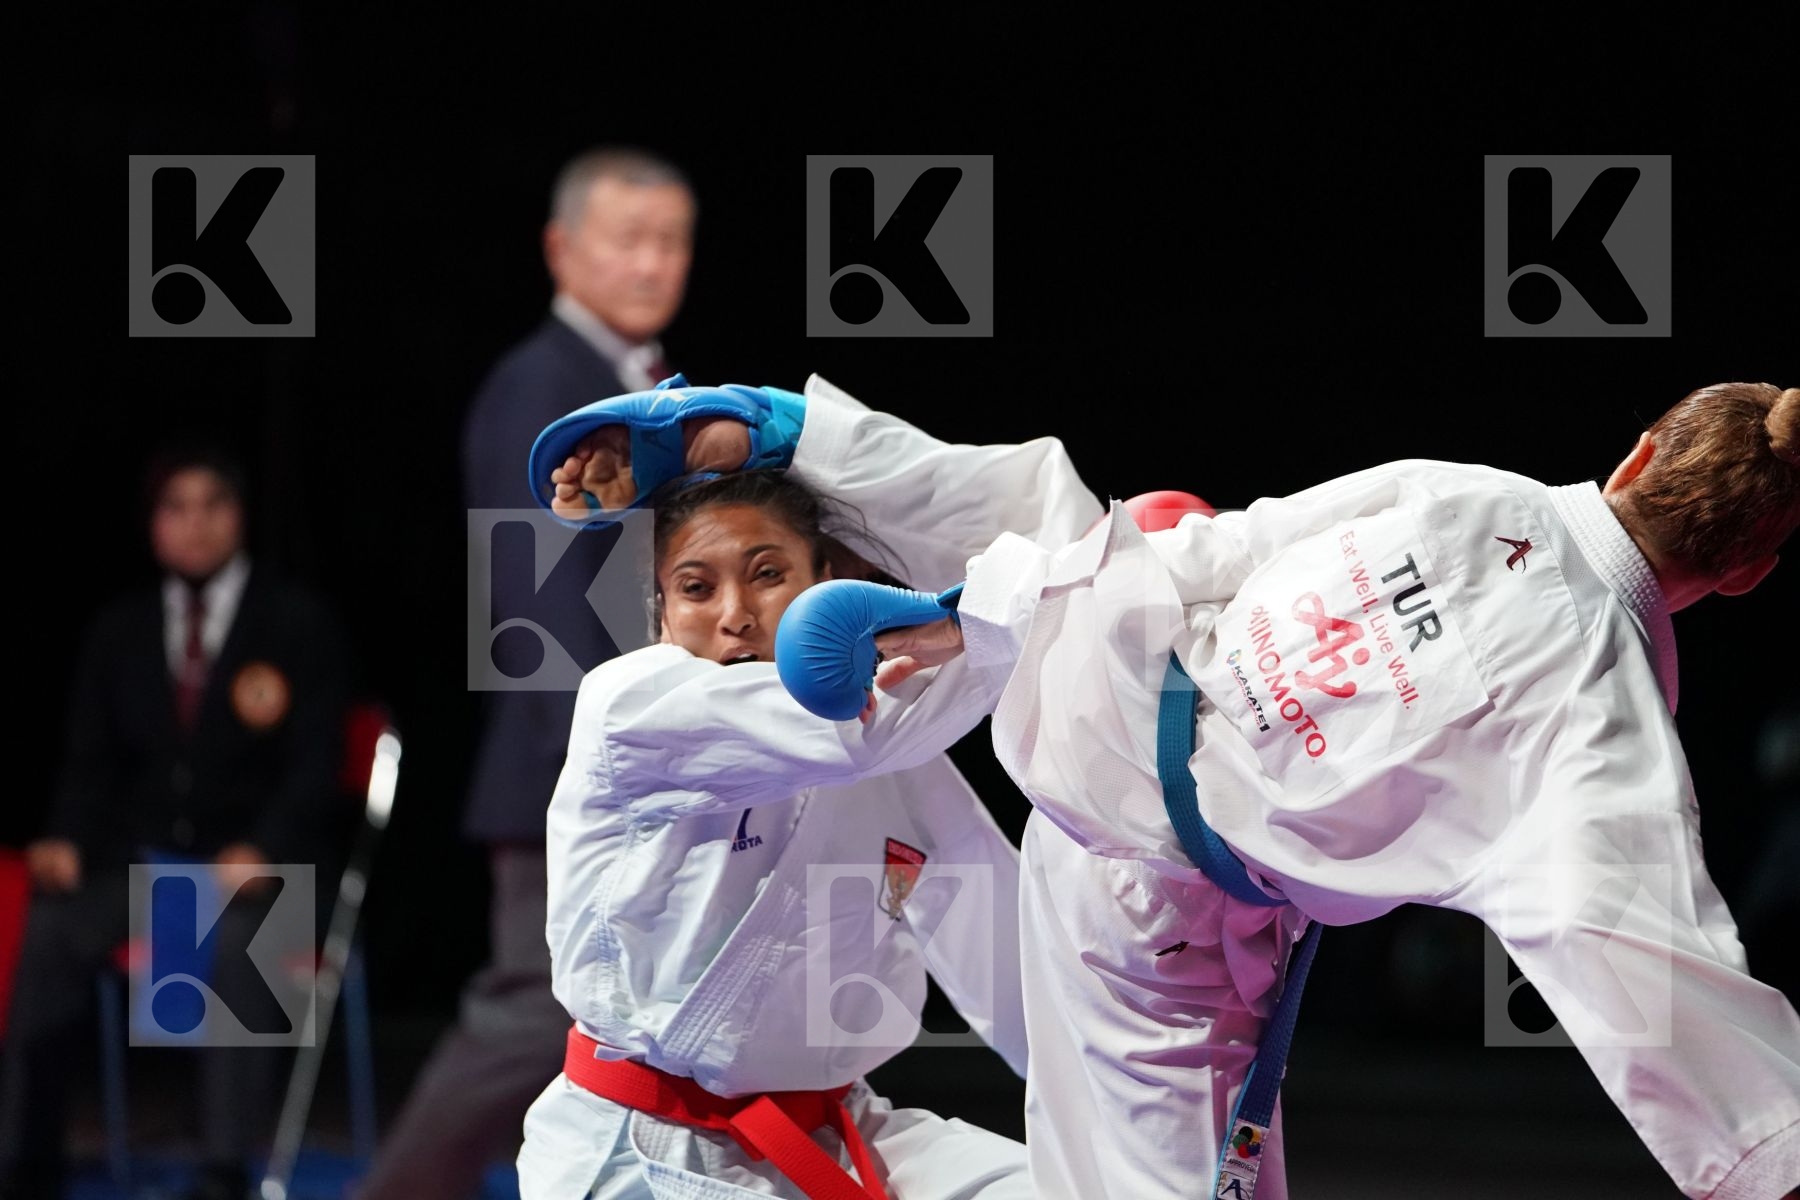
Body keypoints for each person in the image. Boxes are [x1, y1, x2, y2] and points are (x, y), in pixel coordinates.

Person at [781, 382, 1800, 1199]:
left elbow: (1225, 547)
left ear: (1639, 457)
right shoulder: (1605, 721)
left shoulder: (1468, 491)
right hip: (1164, 938)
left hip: (1082, 747)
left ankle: (823, 461)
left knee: (1073, 1176)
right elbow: (1633, 954)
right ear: (1751, 573)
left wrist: (965, 618)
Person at [514, 373, 1103, 1199]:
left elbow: (1002, 952)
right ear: (660, 609)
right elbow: (858, 721)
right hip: (644, 1151)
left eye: (767, 574)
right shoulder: (631, 709)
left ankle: (770, 429)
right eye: (695, 588)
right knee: (1073, 580)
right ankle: (787, 429)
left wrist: (1116, 1094)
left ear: (824, 582)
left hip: (841, 1129)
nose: (734, 614)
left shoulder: (899, 762)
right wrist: (1021, 607)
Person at [358, 146, 697, 1198]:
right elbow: (536, 618)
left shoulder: (642, 386)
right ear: (561, 249)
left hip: (641, 760)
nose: (652, 263)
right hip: (578, 772)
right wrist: (610, 774)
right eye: (628, 240)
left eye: (672, 242)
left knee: (629, 1021)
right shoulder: (544, 388)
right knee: (532, 1015)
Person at [0, 439, 349, 1200]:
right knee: (52, 929)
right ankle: (26, 1161)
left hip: (266, 870)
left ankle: (224, 1170)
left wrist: (265, 847)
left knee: (240, 939)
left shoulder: (295, 622)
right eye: (176, 508)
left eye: (212, 505)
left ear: (239, 516)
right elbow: (90, 762)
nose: (196, 524)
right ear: (154, 524)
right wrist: (67, 836)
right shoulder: (118, 631)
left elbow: (315, 768)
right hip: (147, 863)